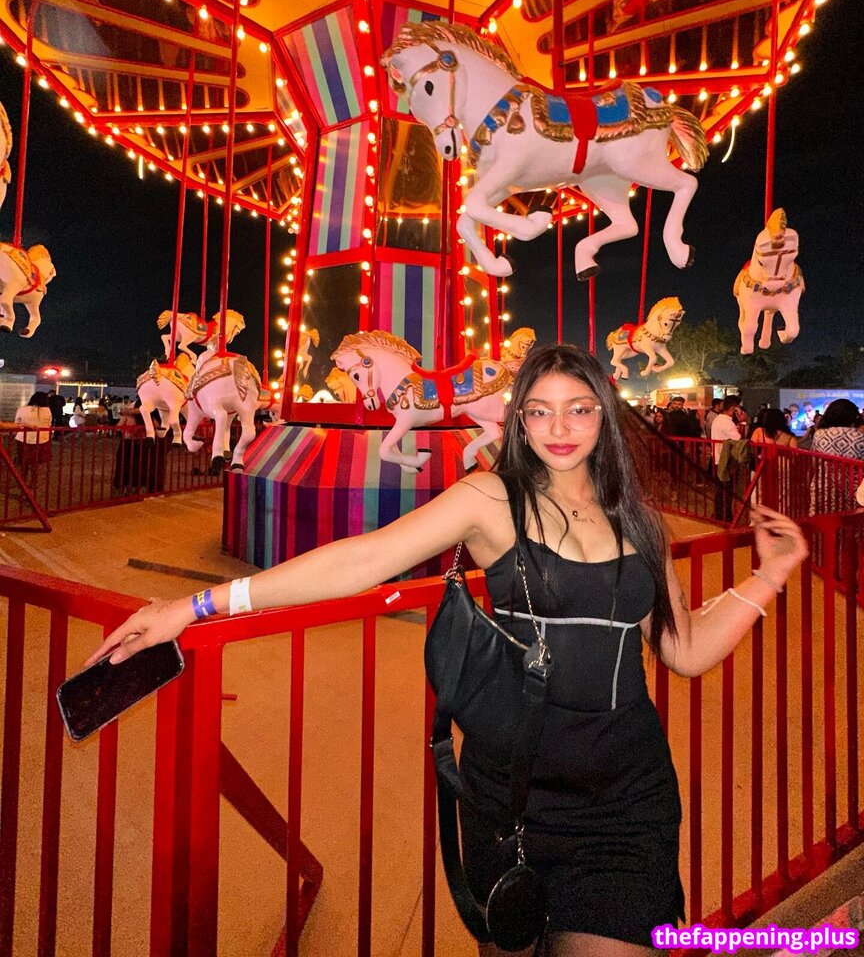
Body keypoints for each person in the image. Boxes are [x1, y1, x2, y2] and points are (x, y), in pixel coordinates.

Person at [86, 344, 808, 956]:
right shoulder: (490, 499)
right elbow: (361, 559)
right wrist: (195, 605)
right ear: (518, 419)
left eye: (579, 409)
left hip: (624, 803)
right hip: (510, 799)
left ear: (604, 415)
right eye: (539, 411)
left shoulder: (639, 521)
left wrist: (770, 574)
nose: (559, 428)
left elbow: (685, 649)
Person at [750, 409, 797, 509]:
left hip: (763, 464)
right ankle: (782, 513)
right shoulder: (789, 436)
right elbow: (794, 455)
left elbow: (751, 448)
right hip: (783, 465)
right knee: (783, 493)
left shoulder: (759, 432)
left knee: (758, 492)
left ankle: (758, 514)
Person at [710, 397, 741, 521]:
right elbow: (738, 440)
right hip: (726, 460)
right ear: (733, 408)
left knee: (721, 491)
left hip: (718, 458)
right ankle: (725, 517)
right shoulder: (727, 422)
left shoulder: (718, 419)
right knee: (726, 491)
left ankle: (719, 515)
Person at [14, 390, 53, 483]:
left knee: (24, 462)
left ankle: (22, 482)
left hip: (24, 438)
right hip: (41, 439)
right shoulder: (47, 410)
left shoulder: (22, 409)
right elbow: (48, 424)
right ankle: (34, 482)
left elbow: (16, 423)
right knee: (36, 463)